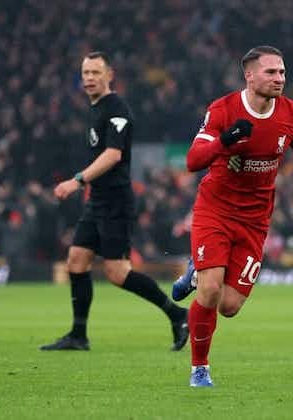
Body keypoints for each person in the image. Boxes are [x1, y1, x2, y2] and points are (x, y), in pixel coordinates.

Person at [175, 46, 293, 386]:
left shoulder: (291, 114)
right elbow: (193, 161)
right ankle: (199, 368)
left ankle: (196, 273)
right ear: (249, 75)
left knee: (230, 306)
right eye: (271, 72)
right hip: (215, 211)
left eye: (282, 72)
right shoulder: (223, 109)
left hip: (255, 220)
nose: (279, 79)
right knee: (209, 291)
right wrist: (224, 141)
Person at [40, 51, 189, 352]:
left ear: (110, 75)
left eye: (96, 72)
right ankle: (78, 335)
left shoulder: (117, 109)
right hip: (98, 201)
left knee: (117, 273)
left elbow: (113, 154)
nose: (90, 79)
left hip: (116, 202)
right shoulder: (95, 109)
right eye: (86, 73)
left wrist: (77, 180)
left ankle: (178, 314)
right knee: (76, 261)